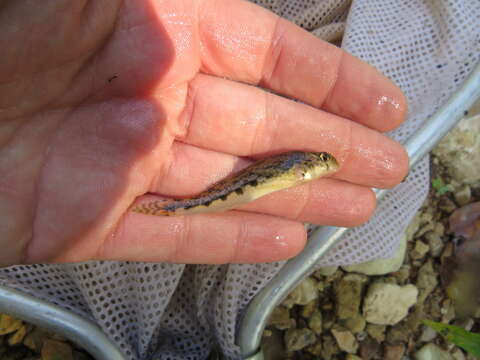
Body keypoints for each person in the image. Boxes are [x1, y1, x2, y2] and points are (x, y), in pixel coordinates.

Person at [0, 0, 408, 267]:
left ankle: (166, 208)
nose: (324, 163)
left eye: (322, 160)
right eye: (321, 160)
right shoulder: (300, 165)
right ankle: (168, 208)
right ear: (306, 165)